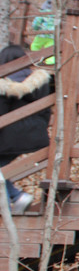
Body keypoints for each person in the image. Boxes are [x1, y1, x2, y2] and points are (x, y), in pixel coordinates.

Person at [0, 45, 52, 215]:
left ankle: (14, 198)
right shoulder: (40, 81)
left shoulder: (3, 84)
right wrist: (40, 127)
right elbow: (46, 111)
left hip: (9, 135)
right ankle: (15, 197)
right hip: (37, 134)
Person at [30, 0, 56, 65]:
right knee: (50, 49)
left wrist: (35, 28)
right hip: (52, 36)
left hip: (42, 34)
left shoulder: (42, 13)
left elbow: (36, 23)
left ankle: (35, 59)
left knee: (35, 46)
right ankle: (51, 62)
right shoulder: (54, 15)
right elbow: (57, 24)